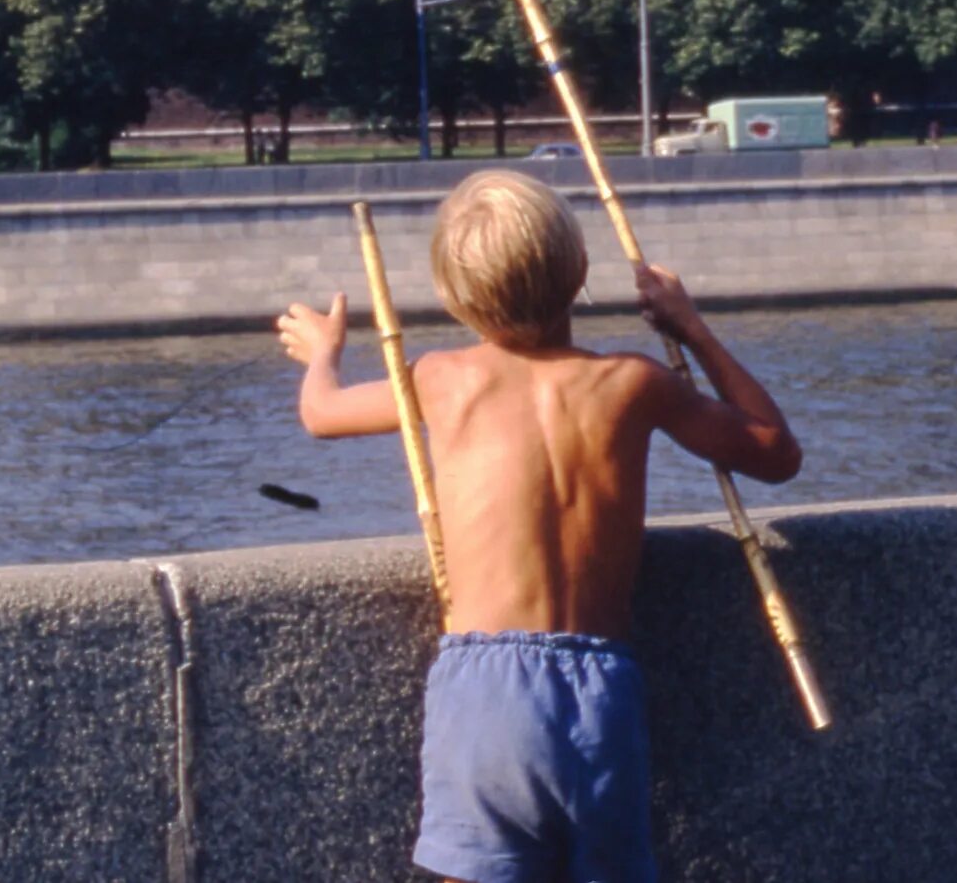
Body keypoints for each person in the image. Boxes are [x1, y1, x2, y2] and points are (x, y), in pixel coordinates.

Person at [275, 168, 801, 883]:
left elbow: (321, 412)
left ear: (452, 296)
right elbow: (774, 450)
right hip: (600, 686)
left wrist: (323, 353)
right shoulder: (632, 381)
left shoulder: (441, 377)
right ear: (579, 270)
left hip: (483, 684)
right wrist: (692, 327)